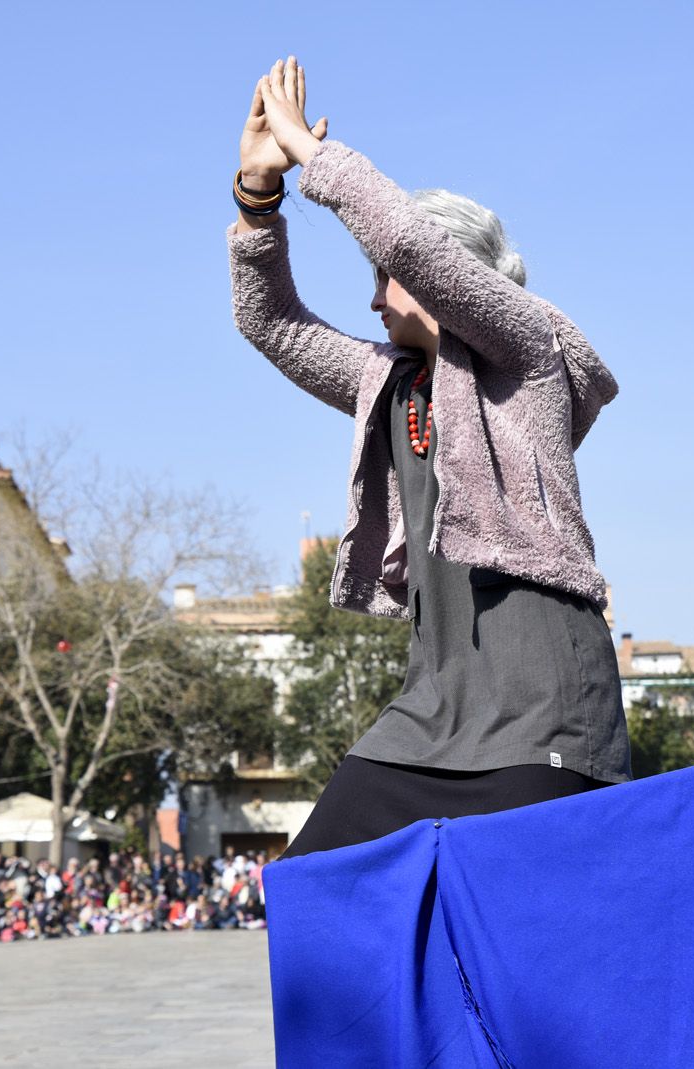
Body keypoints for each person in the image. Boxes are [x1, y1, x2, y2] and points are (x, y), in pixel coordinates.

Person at [229, 56, 628, 858]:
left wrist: (312, 152)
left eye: (383, 277)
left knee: (517, 937)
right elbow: (271, 323)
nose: (374, 297)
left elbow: (410, 242)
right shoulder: (391, 381)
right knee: (318, 885)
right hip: (431, 706)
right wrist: (256, 194)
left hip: (542, 699)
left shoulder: (530, 350)